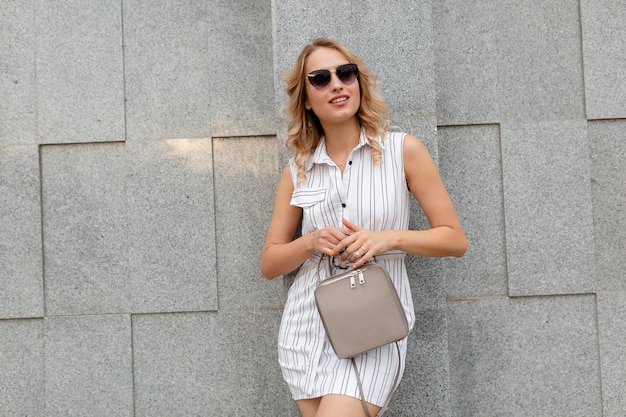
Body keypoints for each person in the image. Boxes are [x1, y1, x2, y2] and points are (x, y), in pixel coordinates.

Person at [260, 37, 467, 417]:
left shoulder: (402, 150)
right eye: (320, 78)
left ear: (358, 83)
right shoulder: (297, 171)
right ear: (306, 98)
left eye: (346, 73)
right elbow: (270, 263)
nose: (336, 84)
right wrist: (311, 242)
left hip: (374, 326)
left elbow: (454, 239)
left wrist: (385, 239)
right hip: (306, 327)